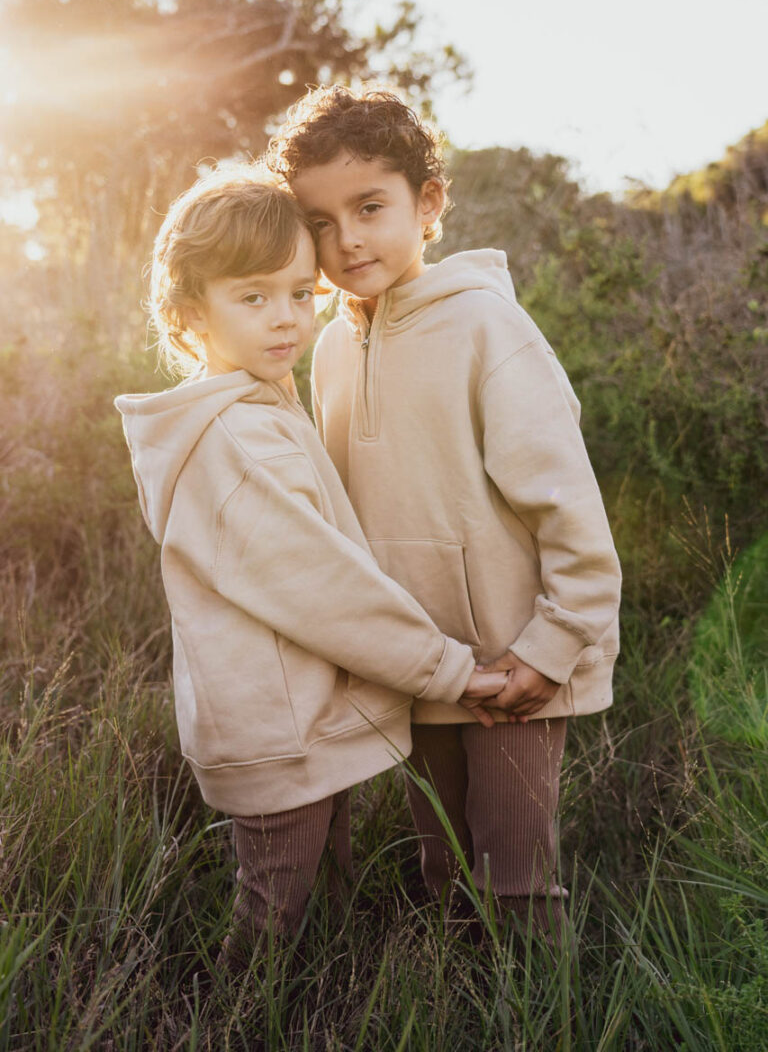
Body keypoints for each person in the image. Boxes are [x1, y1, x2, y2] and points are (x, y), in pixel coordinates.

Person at [114, 165, 507, 968]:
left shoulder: (262, 406)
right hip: (274, 726)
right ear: (191, 316)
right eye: (252, 298)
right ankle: (228, 1019)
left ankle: (321, 1011)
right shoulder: (233, 439)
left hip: (303, 717)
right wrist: (446, 670)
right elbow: (323, 588)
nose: (286, 319)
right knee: (271, 918)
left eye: (300, 292)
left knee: (326, 900)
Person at [267, 87, 622, 942]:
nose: (346, 239)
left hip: (518, 662)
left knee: (517, 883)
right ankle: (463, 1011)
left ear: (427, 205)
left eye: (370, 207)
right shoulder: (330, 349)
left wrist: (552, 644)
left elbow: (566, 502)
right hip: (423, 666)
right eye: (319, 222)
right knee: (444, 873)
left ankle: (542, 1016)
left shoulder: (486, 328)